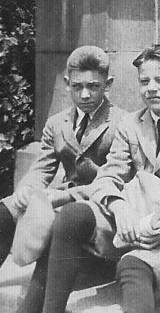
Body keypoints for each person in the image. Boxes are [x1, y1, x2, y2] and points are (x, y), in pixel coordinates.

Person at [39, 44, 160, 313]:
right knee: (71, 216)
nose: (151, 88)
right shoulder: (131, 124)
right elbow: (108, 177)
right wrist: (118, 206)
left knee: (134, 264)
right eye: (144, 81)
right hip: (134, 217)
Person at [4, 45, 126, 313]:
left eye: (94, 86)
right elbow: (42, 168)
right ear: (67, 84)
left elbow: (113, 179)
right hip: (58, 203)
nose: (85, 94)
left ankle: (33, 308)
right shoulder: (57, 123)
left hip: (98, 208)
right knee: (4, 211)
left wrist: (61, 196)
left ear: (108, 84)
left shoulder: (122, 124)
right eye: (78, 86)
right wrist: (27, 189)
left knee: (60, 223)